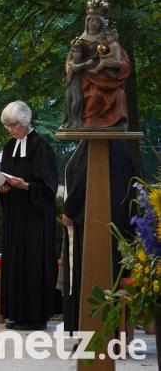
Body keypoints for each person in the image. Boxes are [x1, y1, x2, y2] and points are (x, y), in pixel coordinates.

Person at [60, 139, 136, 333]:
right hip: (118, 223)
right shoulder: (122, 149)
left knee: (93, 276)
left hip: (93, 224)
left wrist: (69, 210)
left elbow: (82, 180)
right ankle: (116, 334)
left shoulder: (94, 145)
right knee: (114, 276)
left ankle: (92, 332)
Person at [0, 100, 58, 330]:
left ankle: (35, 316)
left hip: (35, 218)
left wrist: (27, 187)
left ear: (24, 122)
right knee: (15, 261)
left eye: (13, 125)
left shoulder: (41, 147)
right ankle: (17, 313)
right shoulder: (8, 147)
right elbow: (4, 176)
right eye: (8, 126)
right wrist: (2, 188)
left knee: (32, 262)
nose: (10, 130)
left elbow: (49, 188)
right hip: (15, 214)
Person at [61, 0, 131, 129]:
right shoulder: (80, 40)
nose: (93, 23)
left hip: (104, 74)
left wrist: (117, 64)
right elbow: (70, 57)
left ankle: (113, 122)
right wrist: (68, 67)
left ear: (102, 24)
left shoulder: (108, 39)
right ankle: (85, 122)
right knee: (94, 94)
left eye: (97, 21)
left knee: (119, 93)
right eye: (91, 20)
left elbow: (123, 60)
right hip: (84, 74)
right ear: (87, 21)